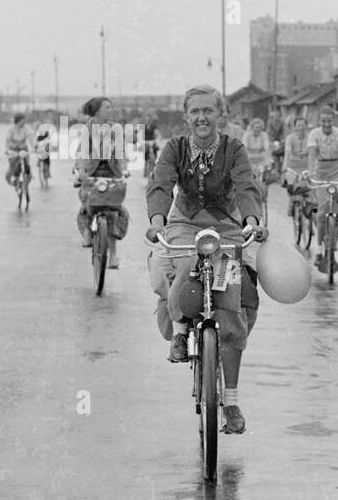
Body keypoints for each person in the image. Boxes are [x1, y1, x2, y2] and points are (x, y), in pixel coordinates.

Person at [145, 84, 268, 435]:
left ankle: (230, 402)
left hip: (227, 225)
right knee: (184, 264)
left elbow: (247, 187)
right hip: (184, 221)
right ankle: (181, 331)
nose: (202, 117)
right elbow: (160, 185)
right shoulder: (174, 148)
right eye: (195, 111)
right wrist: (157, 223)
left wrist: (252, 222)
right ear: (186, 116)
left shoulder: (235, 149)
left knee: (233, 309)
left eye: (208, 111)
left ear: (220, 115)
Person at [72, 97, 131, 252]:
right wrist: (82, 171)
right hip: (91, 171)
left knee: (116, 209)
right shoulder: (87, 129)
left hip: (112, 171)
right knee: (87, 204)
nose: (111, 110)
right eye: (107, 107)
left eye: (111, 107)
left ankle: (113, 255)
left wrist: (124, 169)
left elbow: (120, 152)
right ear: (98, 111)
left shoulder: (116, 128)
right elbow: (83, 152)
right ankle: (86, 231)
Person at [306, 105, 338, 267]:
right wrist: (311, 173)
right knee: (321, 213)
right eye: (323, 121)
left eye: (329, 121)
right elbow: (312, 155)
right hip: (321, 172)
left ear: (333, 120)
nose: (326, 124)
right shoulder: (314, 134)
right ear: (319, 121)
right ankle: (319, 250)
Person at [5, 114, 32, 187]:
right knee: (12, 165)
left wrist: (34, 147)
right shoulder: (11, 129)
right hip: (13, 149)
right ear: (18, 121)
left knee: (27, 165)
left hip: (23, 149)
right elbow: (7, 140)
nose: (24, 122)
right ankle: (11, 180)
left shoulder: (27, 128)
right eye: (23, 120)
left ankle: (26, 182)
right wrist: (7, 150)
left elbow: (30, 138)